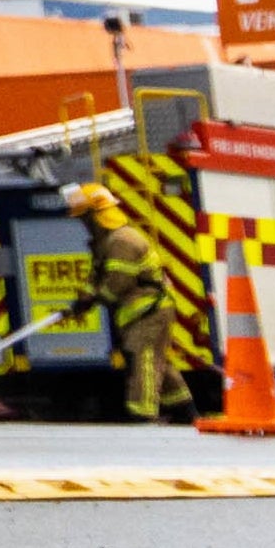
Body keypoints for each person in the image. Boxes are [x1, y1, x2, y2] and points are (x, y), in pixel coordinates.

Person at [66, 181, 182, 423]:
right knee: (157, 361)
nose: (82, 224)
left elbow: (119, 281)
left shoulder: (121, 241)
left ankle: (143, 416)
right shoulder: (107, 241)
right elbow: (97, 275)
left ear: (94, 216)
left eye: (83, 218)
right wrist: (84, 299)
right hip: (140, 311)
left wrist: (97, 299)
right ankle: (185, 410)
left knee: (143, 360)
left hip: (149, 309)